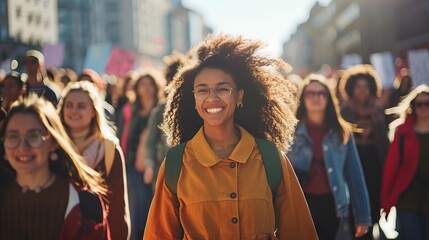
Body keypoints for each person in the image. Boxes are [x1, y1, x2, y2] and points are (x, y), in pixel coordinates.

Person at [144, 34, 317, 239]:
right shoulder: (176, 164)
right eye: (203, 90)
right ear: (194, 99)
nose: (212, 98)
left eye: (222, 89)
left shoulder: (271, 159)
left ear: (239, 96)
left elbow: (300, 233)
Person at [0, 94, 110, 239]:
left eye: (34, 136)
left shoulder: (86, 204)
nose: (22, 147)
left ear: (53, 142)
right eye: (13, 136)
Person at [287, 74, 372, 240]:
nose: (316, 98)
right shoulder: (291, 131)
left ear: (328, 98)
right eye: (311, 93)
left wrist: (362, 217)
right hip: (301, 204)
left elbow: (355, 175)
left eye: (321, 93)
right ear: (303, 98)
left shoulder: (341, 132)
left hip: (333, 205)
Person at [57, 81, 130, 240]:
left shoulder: (109, 150)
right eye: (69, 105)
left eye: (81, 106)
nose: (74, 110)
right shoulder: (50, 145)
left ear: (93, 111)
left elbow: (118, 208)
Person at [339, 64, 390, 239]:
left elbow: (384, 142)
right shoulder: (344, 113)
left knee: (374, 206)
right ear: (351, 89)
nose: (362, 91)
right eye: (358, 87)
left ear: (371, 88)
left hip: (374, 164)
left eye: (365, 87)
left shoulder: (378, 112)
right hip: (352, 163)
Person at [117, 69, 163, 239]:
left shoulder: (162, 110)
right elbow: (121, 136)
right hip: (132, 165)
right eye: (142, 84)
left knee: (154, 204)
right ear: (136, 88)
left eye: (150, 84)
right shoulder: (129, 111)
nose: (147, 88)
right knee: (136, 206)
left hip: (157, 164)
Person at [381, 84, 429, 240]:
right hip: (407, 198)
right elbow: (391, 168)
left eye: (427, 103)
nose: (423, 108)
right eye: (419, 104)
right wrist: (386, 203)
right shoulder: (402, 132)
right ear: (413, 107)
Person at [144, 51, 189, 189]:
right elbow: (150, 141)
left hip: (188, 171)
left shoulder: (194, 106)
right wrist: (149, 165)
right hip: (163, 169)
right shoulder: (161, 108)